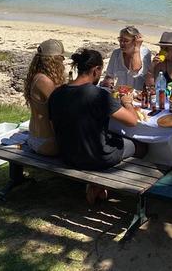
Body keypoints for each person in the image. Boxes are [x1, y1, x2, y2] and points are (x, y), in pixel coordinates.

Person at [48, 49, 147, 203]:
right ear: (96, 70)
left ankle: (97, 185)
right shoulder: (98, 95)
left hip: (67, 154)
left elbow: (54, 127)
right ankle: (99, 184)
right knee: (141, 146)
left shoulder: (57, 93)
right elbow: (132, 121)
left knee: (113, 137)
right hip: (97, 157)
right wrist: (127, 102)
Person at [23, 39, 66, 156]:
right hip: (46, 143)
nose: (63, 63)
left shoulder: (37, 77)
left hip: (35, 136)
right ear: (55, 60)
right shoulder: (45, 81)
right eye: (62, 59)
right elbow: (62, 107)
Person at [101, 26, 152, 91]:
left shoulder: (145, 53)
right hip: (120, 94)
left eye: (126, 41)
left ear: (135, 42)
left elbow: (135, 70)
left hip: (138, 96)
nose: (122, 43)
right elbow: (109, 75)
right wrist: (108, 81)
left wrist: (137, 48)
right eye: (120, 40)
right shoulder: (116, 54)